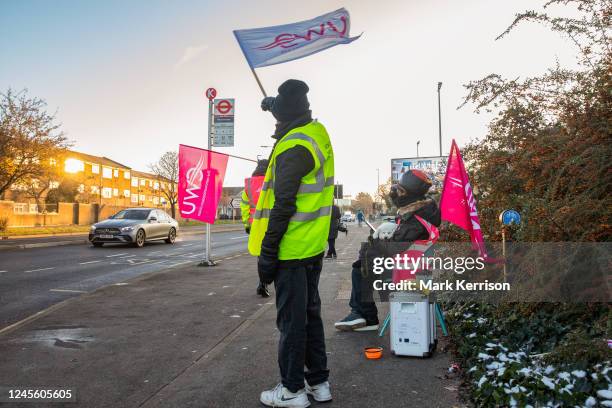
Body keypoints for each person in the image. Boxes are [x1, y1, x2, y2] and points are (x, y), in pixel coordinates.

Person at [248, 79, 334, 407]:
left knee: (292, 324)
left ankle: (292, 390)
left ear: (285, 119)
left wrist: (267, 255)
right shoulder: (314, 133)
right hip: (311, 247)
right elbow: (289, 112)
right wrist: (273, 104)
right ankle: (319, 383)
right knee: (310, 316)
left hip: (291, 249)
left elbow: (283, 205)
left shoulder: (291, 147)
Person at [334, 169, 441, 332]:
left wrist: (375, 242)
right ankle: (362, 314)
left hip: (410, 274)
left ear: (411, 194)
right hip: (414, 268)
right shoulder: (421, 212)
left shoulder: (417, 218)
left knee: (361, 268)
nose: (396, 193)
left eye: (401, 190)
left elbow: (393, 247)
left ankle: (365, 316)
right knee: (365, 262)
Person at [241, 159, 270, 297]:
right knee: (276, 256)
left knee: (261, 256)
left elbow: (244, 207)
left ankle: (262, 284)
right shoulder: (273, 181)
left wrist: (247, 224)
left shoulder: (248, 185)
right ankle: (273, 284)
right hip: (272, 225)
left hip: (255, 226)